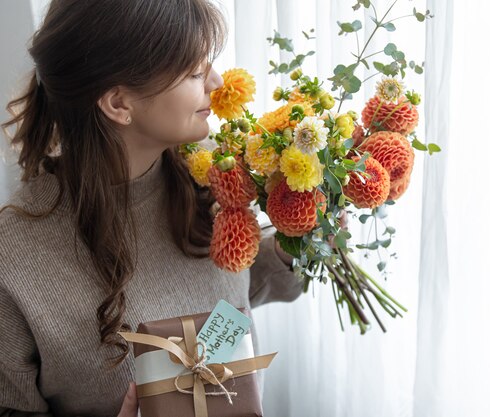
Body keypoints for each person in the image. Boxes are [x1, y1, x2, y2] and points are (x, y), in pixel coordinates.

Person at [0, 0, 304, 415]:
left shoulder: (215, 171)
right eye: (195, 72)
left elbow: (225, 297)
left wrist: (298, 241)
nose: (216, 83)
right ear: (119, 103)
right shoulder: (14, 255)